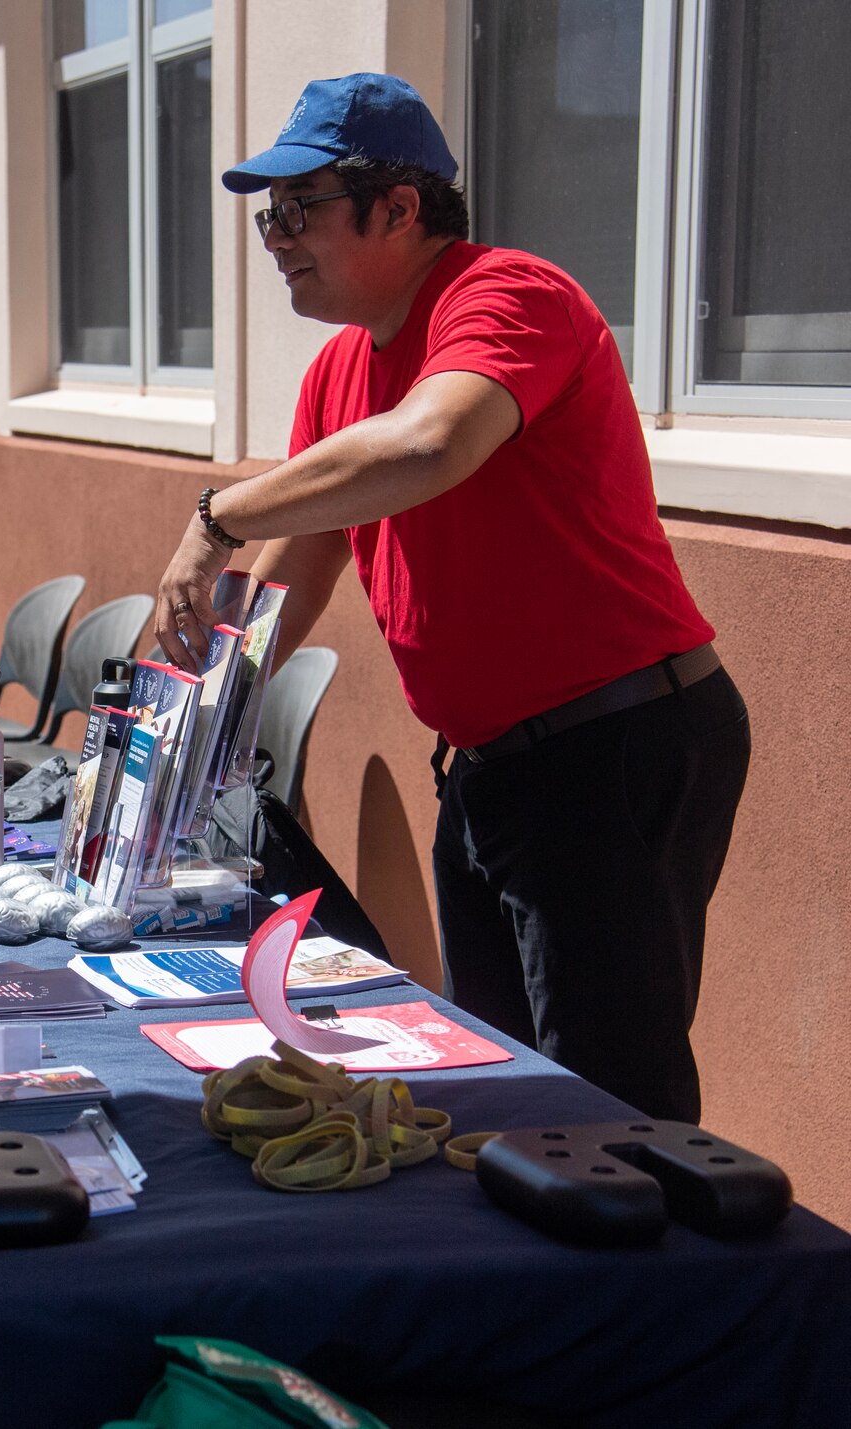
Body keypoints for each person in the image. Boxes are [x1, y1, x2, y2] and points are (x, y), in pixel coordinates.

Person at [153, 74, 748, 1123]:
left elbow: (429, 442)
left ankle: (644, 1288)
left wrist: (215, 517)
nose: (278, 238)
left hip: (610, 742)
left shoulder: (506, 295)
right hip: (491, 765)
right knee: (501, 1082)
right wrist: (192, 732)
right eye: (266, 218)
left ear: (399, 207)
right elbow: (309, 558)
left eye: (302, 211)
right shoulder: (340, 369)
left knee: (607, 1102)